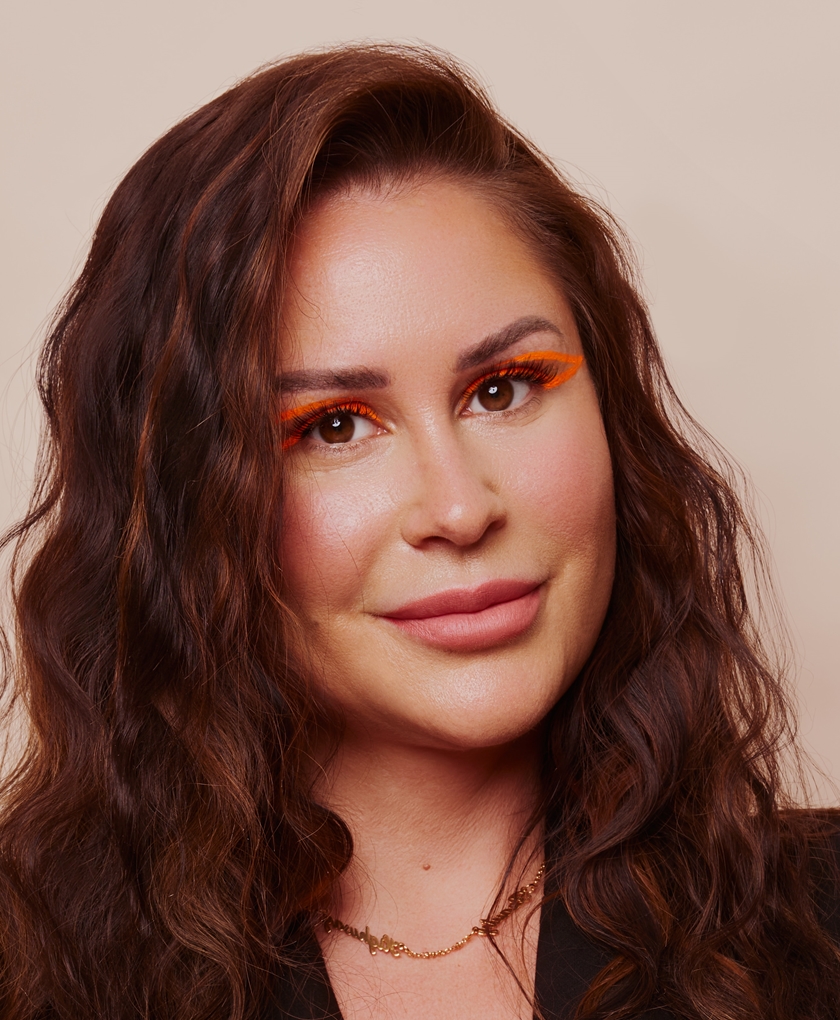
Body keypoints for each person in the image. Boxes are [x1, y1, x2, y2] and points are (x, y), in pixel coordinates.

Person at [0, 43, 837, 1020]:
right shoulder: (33, 967)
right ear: (185, 505)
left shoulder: (819, 929)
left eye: (504, 388)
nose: (460, 509)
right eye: (332, 427)